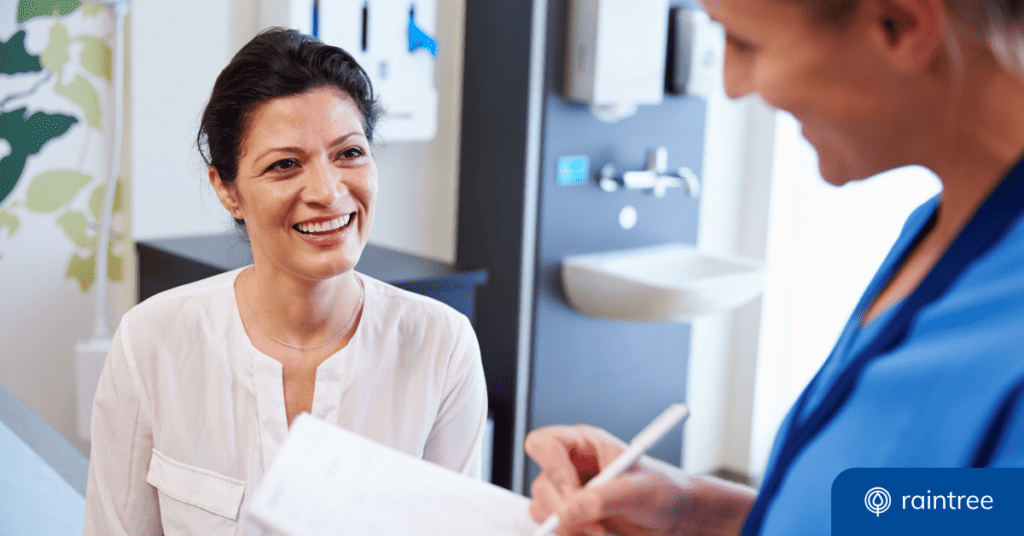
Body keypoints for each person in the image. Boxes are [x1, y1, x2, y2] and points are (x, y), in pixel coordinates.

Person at [526, 0, 1024, 534]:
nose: (733, 86)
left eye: (745, 45)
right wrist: (695, 509)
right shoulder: (939, 231)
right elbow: (949, 509)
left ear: (899, 26)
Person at [83, 28, 488, 535]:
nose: (327, 190)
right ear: (228, 190)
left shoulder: (441, 346)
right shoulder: (151, 342)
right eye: (284, 164)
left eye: (349, 153)